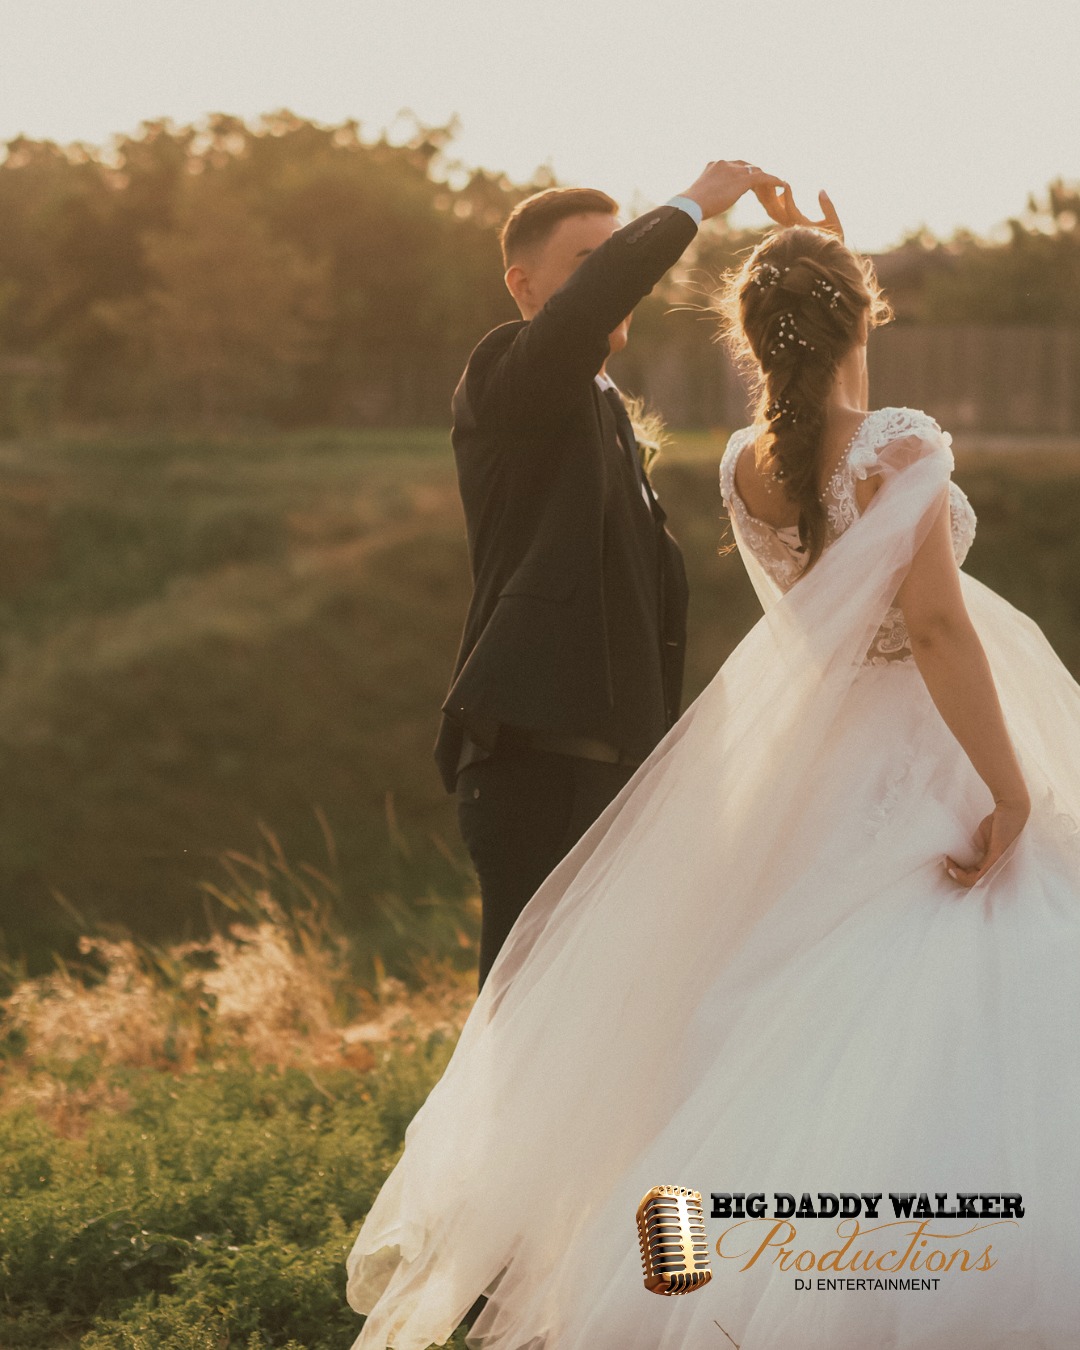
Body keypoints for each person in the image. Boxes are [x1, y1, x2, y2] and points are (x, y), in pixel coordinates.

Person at [345, 197, 1080, 1348]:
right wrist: (1012, 788)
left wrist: (827, 275)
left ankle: (678, 1282)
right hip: (918, 749)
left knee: (747, 1027)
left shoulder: (746, 465)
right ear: (862, 317)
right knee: (942, 996)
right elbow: (934, 629)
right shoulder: (900, 445)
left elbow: (828, 586)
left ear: (749, 336)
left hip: (812, 765)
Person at [433, 161, 787, 992]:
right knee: (523, 1029)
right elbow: (581, 316)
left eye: (615, 251)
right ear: (524, 285)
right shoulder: (508, 374)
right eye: (589, 258)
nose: (614, 276)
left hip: (611, 778)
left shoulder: (603, 414)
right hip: (535, 769)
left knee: (606, 1023)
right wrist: (693, 206)